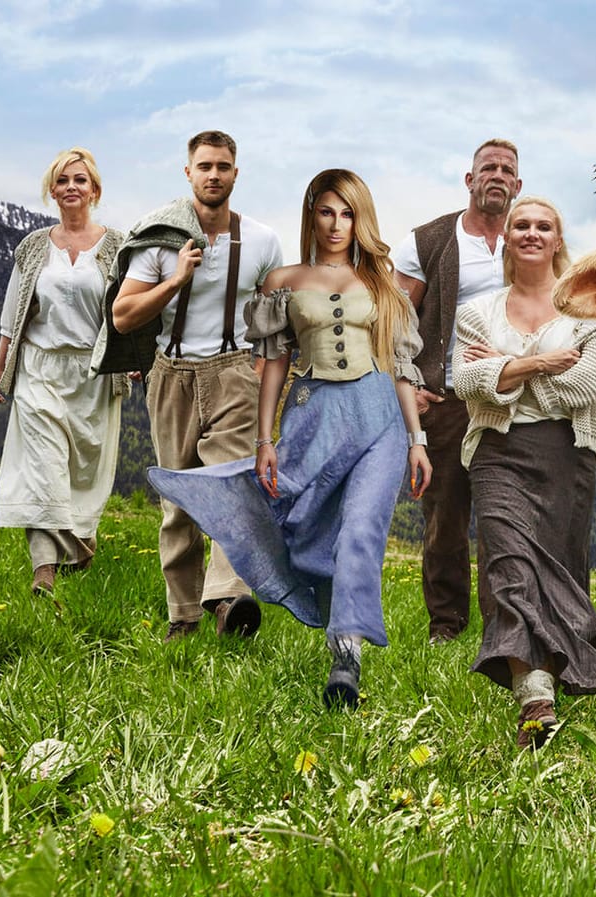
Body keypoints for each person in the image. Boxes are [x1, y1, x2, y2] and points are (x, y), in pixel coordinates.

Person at [146, 168, 432, 707]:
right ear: (311, 214)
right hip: (314, 414)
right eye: (326, 211)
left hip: (379, 420)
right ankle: (248, 595)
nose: (336, 224)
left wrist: (417, 440)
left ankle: (346, 656)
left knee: (362, 531)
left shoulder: (383, 285)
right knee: (302, 521)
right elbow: (273, 365)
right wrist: (263, 439)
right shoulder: (283, 281)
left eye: (347, 213)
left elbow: (399, 365)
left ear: (360, 218)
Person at [452, 197, 596, 749]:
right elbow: (464, 383)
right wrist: (541, 363)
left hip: (567, 455)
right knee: (509, 565)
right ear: (506, 239)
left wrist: (502, 369)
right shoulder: (477, 312)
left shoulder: (592, 313)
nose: (530, 232)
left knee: (557, 574)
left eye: (542, 226)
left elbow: (586, 389)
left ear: (557, 239)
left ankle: (574, 659)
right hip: (497, 450)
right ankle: (536, 701)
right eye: (520, 225)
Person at [109, 130, 284, 641]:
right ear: (189, 173)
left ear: (236, 172)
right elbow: (122, 316)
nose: (214, 175)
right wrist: (174, 281)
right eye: (204, 166)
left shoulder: (263, 241)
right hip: (172, 374)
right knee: (179, 499)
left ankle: (229, 601)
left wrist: (262, 369)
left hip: (233, 372)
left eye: (223, 166)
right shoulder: (161, 237)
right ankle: (183, 616)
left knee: (234, 489)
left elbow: (274, 316)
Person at [392, 139, 521, 643]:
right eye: (487, 167)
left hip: (510, 398)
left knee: (505, 515)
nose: (497, 175)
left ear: (517, 184)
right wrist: (408, 387)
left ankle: (503, 621)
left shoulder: (528, 237)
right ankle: (446, 623)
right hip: (446, 399)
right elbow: (395, 324)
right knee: (446, 516)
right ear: (470, 181)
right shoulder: (428, 241)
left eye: (507, 169)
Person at [0, 148, 127, 596]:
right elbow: (13, 313)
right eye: (63, 180)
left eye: (80, 180)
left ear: (95, 190)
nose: (71, 187)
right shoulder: (33, 246)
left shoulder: (116, 247)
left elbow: (129, 310)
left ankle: (80, 545)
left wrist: (134, 358)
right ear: (52, 190)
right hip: (39, 367)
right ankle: (43, 570)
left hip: (95, 371)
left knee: (83, 474)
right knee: (42, 467)